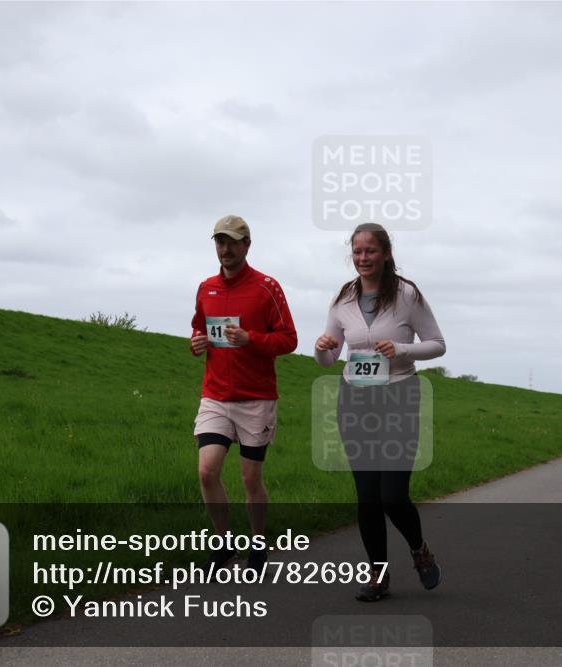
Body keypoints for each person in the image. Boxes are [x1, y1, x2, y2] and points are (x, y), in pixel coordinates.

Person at [315, 222, 446, 602]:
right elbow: (328, 358)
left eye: (370, 251)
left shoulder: (407, 295)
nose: (363, 258)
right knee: (367, 496)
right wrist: (322, 347)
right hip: (355, 400)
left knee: (392, 495)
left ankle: (419, 549)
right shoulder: (343, 297)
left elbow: (437, 344)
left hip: (399, 398)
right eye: (357, 252)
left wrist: (402, 350)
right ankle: (377, 576)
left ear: (386, 253)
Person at [190, 215, 297, 571]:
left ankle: (257, 544)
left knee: (250, 477)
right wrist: (197, 342)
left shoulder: (267, 287)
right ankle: (223, 546)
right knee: (207, 471)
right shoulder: (206, 288)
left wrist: (252, 339)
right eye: (220, 242)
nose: (226, 249)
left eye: (233, 242)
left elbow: (289, 340)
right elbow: (198, 330)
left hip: (256, 398)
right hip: (216, 395)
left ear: (247, 245)